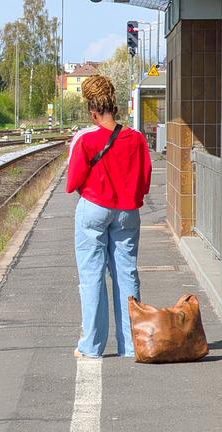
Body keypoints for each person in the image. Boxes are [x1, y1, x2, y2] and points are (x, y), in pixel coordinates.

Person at [66, 74, 152, 358]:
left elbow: (73, 181)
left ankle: (91, 347)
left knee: (91, 276)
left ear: (93, 112)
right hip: (128, 211)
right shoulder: (136, 138)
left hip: (94, 208)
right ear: (114, 107)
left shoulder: (85, 139)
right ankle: (132, 346)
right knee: (126, 274)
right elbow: (145, 179)